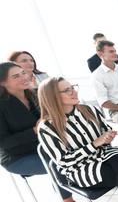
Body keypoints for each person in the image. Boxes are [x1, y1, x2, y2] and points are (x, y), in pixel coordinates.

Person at [37, 77, 118, 202]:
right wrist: (94, 144)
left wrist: (107, 136)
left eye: (72, 87)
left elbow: (105, 129)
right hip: (79, 167)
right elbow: (64, 161)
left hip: (104, 154)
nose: (74, 92)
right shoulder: (47, 127)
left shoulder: (89, 109)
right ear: (52, 97)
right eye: (67, 90)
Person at [0, 62, 74, 202]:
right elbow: (4, 143)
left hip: (44, 148)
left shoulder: (35, 95)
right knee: (57, 165)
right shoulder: (2, 106)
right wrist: (34, 130)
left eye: (23, 73)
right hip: (17, 157)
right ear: (3, 83)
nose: (23, 77)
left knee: (74, 155)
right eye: (16, 76)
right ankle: (68, 200)